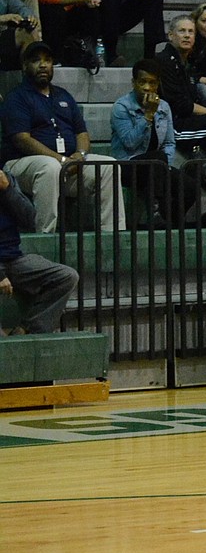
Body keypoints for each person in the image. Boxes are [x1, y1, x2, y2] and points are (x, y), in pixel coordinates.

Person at [0, 42, 126, 232]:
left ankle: (112, 234)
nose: (43, 65)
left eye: (47, 60)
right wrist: (61, 160)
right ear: (25, 66)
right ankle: (45, 235)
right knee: (49, 167)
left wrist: (80, 155)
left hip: (67, 164)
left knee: (108, 166)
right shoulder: (17, 97)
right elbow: (21, 139)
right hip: (22, 165)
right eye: (36, 60)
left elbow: (81, 132)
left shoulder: (64, 95)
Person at [0, 167, 78, 334]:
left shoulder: (6, 179)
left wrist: (7, 190)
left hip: (13, 258)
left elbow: (29, 220)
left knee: (66, 276)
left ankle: (28, 331)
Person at [110, 59, 182, 228]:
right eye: (142, 82)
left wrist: (167, 166)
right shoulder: (121, 107)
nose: (147, 88)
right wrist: (148, 115)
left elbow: (170, 143)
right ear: (134, 83)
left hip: (157, 167)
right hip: (127, 164)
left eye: (152, 83)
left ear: (158, 84)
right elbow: (129, 142)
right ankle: (155, 212)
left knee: (190, 186)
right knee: (157, 159)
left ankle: (169, 222)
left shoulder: (164, 107)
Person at [155, 15, 206, 153]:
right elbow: (181, 105)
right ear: (170, 35)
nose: (187, 36)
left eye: (190, 32)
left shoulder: (187, 62)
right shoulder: (164, 61)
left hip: (187, 120)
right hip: (172, 127)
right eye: (182, 31)